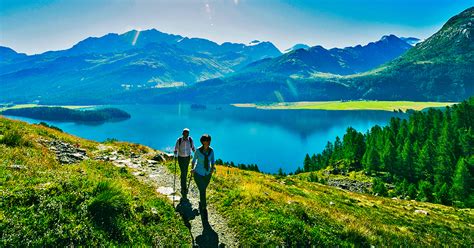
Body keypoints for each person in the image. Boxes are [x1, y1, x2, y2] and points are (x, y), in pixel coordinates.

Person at [191, 134, 215, 229]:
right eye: (206, 141)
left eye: (209, 140)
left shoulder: (211, 151)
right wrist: (192, 169)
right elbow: (193, 161)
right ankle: (203, 207)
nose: (208, 142)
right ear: (202, 141)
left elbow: (212, 161)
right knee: (202, 190)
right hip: (198, 173)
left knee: (203, 189)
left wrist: (212, 168)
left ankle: (202, 202)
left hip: (207, 174)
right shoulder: (198, 150)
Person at [174, 128, 196, 199]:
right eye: (185, 133)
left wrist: (196, 154)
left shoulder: (190, 140)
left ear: (188, 134)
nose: (186, 134)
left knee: (185, 172)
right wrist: (175, 155)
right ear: (182, 133)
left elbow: (193, 148)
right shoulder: (179, 140)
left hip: (187, 158)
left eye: (187, 133)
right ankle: (183, 188)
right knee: (183, 172)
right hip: (181, 158)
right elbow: (176, 149)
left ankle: (183, 187)